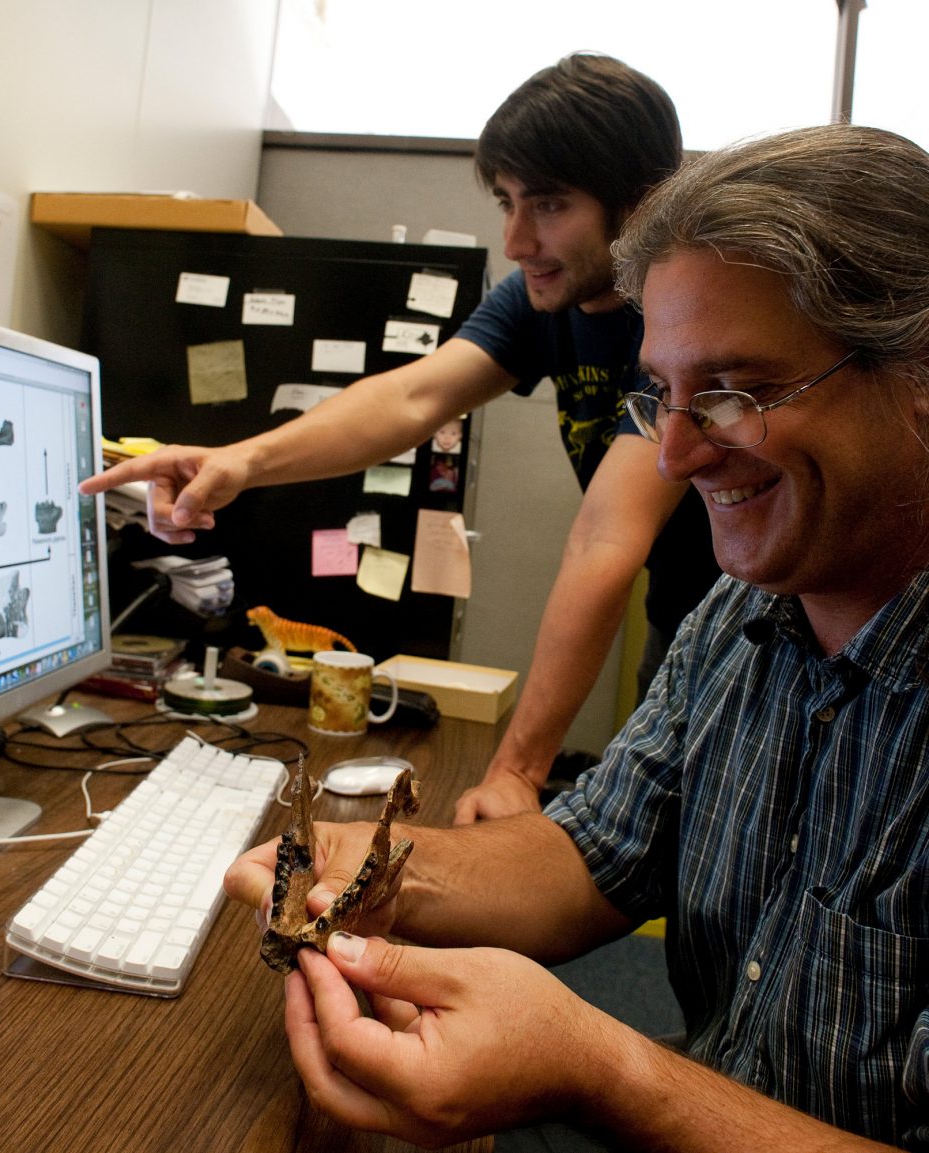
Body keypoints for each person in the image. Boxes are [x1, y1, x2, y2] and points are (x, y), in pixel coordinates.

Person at [225, 123, 929, 1151]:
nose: (677, 455)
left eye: (732, 391)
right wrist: (377, 868)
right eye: (663, 396)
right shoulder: (737, 622)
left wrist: (600, 1069)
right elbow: (592, 853)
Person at [78, 52, 720, 825]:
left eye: (548, 205)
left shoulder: (682, 315)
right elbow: (411, 396)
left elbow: (604, 541)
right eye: (506, 202)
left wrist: (518, 769)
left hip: (776, 621)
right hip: (680, 619)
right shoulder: (543, 300)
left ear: (640, 201)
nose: (516, 240)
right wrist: (239, 460)